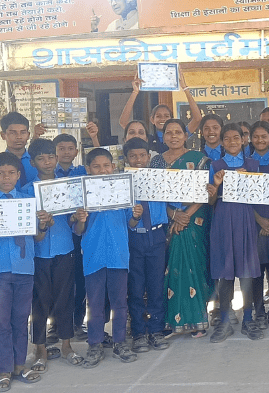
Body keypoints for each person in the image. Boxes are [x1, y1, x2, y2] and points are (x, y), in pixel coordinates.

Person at [0, 152, 46, 388]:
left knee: (21, 320)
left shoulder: (28, 202)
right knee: (1, 322)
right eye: (1, 173)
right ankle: (4, 369)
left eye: (11, 173)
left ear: (18, 174)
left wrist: (43, 223)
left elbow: (38, 236)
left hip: (25, 268)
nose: (6, 177)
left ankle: (19, 366)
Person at [72, 148, 140, 366]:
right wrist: (81, 217)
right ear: (88, 169)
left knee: (120, 303)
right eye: (96, 166)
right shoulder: (82, 194)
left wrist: (136, 216)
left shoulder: (122, 191)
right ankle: (95, 344)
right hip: (94, 256)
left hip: (118, 255)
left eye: (106, 166)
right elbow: (79, 230)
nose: (102, 170)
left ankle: (120, 342)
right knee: (95, 304)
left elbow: (130, 223)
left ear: (113, 167)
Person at [20, 139, 83, 371]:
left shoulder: (68, 187)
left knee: (65, 297)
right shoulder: (26, 191)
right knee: (40, 301)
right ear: (33, 162)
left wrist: (77, 218)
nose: (47, 162)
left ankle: (67, 345)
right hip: (38, 253)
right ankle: (40, 348)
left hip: (65, 248)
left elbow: (75, 225)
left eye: (51, 157)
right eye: (41, 158)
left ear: (57, 158)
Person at [153, 119, 214, 338]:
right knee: (170, 269)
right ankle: (172, 319)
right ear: (163, 136)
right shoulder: (157, 162)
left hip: (194, 220)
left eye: (178, 132)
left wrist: (186, 215)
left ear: (186, 135)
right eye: (168, 133)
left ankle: (197, 319)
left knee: (193, 266)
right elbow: (155, 194)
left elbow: (207, 192)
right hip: (167, 219)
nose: (173, 136)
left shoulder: (199, 160)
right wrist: (173, 215)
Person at [206, 123, 262, 343]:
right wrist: (217, 185)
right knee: (225, 272)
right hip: (223, 218)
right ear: (221, 142)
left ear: (243, 140)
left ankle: (249, 319)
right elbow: (210, 201)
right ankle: (225, 320)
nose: (231, 142)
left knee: (246, 271)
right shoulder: (215, 165)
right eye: (227, 139)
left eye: (236, 138)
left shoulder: (252, 165)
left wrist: (248, 180)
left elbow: (259, 196)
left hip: (246, 218)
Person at [123, 137, 171, 352]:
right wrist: (134, 217)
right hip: (135, 238)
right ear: (126, 159)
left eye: (142, 155)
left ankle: (156, 330)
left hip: (157, 237)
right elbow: (126, 221)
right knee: (135, 287)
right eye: (133, 156)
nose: (138, 159)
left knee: (156, 285)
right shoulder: (122, 184)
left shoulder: (159, 179)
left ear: (149, 157)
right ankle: (139, 333)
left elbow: (176, 200)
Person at [248, 121, 269, 329]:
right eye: (256, 136)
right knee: (257, 268)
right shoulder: (245, 164)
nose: (260, 140)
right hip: (252, 222)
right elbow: (241, 196)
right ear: (250, 139)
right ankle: (259, 311)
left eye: (264, 136)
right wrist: (260, 220)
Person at [119, 73, 203, 154]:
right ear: (152, 119)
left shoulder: (179, 135)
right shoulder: (147, 138)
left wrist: (185, 88)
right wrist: (135, 92)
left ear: (171, 118)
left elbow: (197, 119)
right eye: (158, 116)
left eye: (166, 116)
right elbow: (123, 122)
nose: (162, 119)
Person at [0, 112, 36, 189]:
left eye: (23, 132)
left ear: (28, 135)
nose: (19, 137)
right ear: (3, 135)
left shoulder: (37, 161)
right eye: (13, 133)